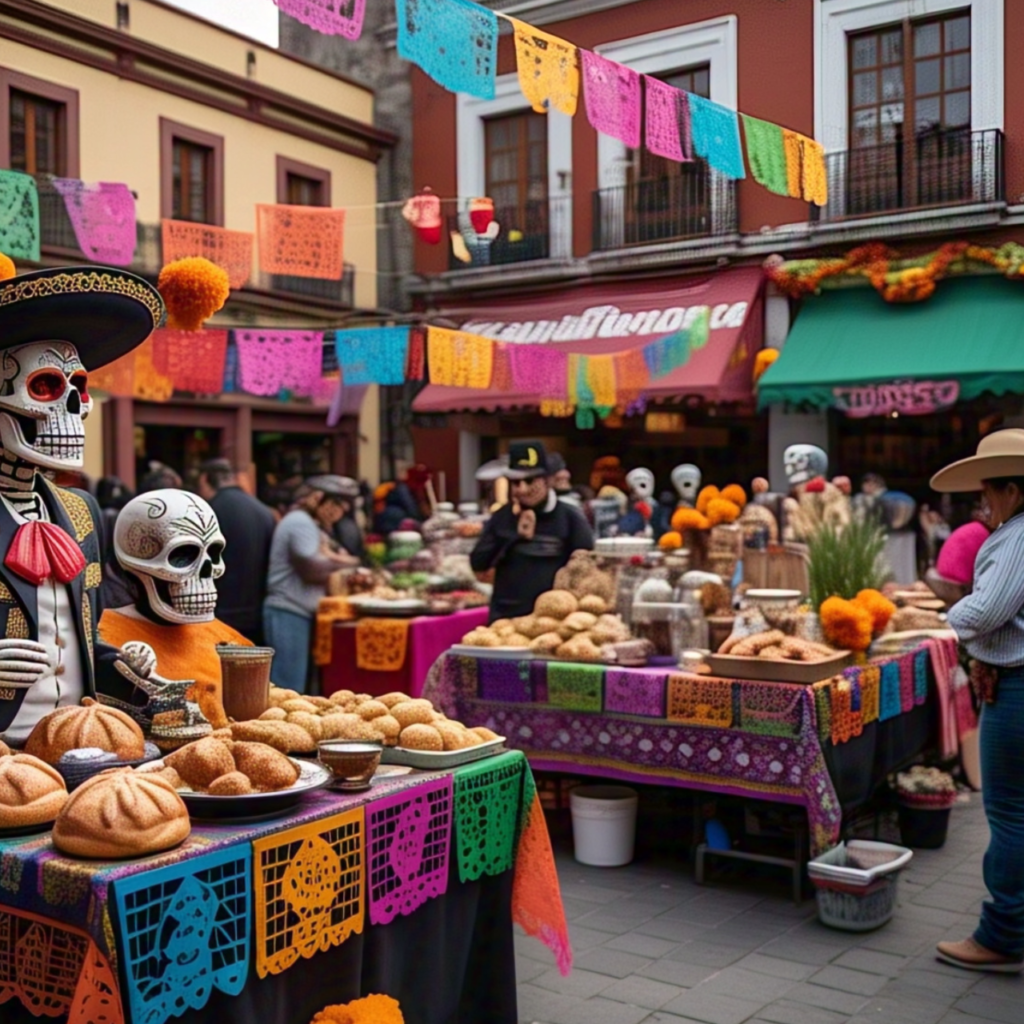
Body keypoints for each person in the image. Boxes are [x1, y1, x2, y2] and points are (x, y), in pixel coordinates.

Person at [931, 429, 1024, 973]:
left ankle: (1002, 935)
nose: (984, 502)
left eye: (989, 491)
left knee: (1009, 812)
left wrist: (945, 620)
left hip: (1017, 684)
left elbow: (987, 611)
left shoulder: (1016, 535)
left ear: (1012, 490)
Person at [470, 440, 593, 622]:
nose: (522, 489)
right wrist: (514, 536)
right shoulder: (502, 517)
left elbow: (585, 569)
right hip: (506, 618)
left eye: (529, 480)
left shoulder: (570, 517)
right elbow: (479, 562)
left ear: (548, 481)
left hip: (554, 620)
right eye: (515, 482)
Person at [263, 475, 361, 692]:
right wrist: (349, 564)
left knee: (299, 686)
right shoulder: (300, 521)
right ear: (316, 498)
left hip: (299, 611)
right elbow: (312, 569)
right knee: (289, 688)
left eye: (344, 506)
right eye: (335, 503)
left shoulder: (314, 525)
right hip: (289, 610)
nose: (340, 511)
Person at [197, 458, 277, 645]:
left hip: (218, 612)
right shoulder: (264, 511)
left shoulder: (208, 511)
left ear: (205, 480)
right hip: (256, 611)